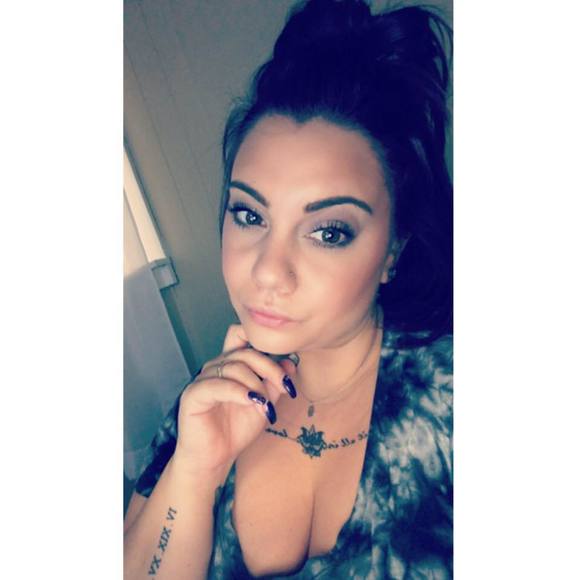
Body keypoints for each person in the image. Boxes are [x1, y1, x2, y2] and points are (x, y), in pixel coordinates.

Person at [124, 0, 453, 578]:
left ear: (393, 249)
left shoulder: (453, 399)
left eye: (329, 232)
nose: (269, 272)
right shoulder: (208, 399)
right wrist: (196, 471)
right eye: (250, 215)